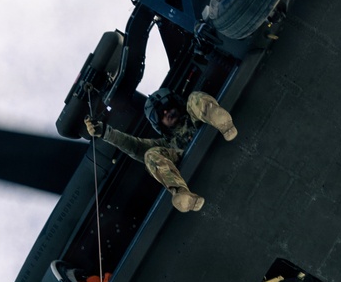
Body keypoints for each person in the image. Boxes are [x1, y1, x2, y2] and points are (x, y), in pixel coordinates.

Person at [85, 87, 237, 213]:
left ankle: (222, 121)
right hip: (181, 154)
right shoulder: (167, 144)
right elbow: (135, 146)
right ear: (159, 123)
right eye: (161, 114)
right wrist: (105, 132)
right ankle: (182, 193)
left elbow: (195, 102)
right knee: (150, 155)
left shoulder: (192, 113)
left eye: (167, 107)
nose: (166, 113)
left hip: (204, 126)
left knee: (195, 98)